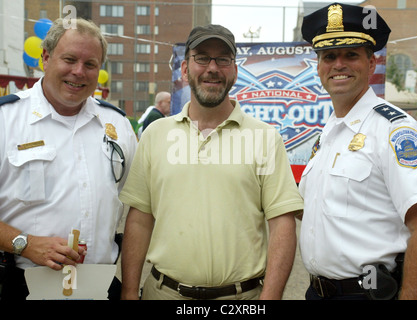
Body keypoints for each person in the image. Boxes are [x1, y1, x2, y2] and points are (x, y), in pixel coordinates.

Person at [119, 24, 303, 300]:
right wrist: (129, 291)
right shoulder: (155, 135)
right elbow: (139, 220)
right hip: (164, 294)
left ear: (235, 70)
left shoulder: (265, 138)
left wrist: (270, 298)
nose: (212, 68)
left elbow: (282, 224)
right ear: (184, 69)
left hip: (242, 300)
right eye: (202, 57)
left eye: (223, 59)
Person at [298, 3, 417, 300]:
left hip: (367, 294)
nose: (339, 64)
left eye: (351, 54)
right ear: (319, 67)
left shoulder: (395, 131)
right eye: (329, 56)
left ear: (371, 63)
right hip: (317, 292)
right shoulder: (327, 133)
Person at [0, 18, 137, 300]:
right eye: (70, 59)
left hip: (100, 287)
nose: (79, 72)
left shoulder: (118, 126)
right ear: (46, 58)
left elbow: (135, 206)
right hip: (21, 286)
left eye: (90, 64)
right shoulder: (6, 120)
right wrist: (23, 244)